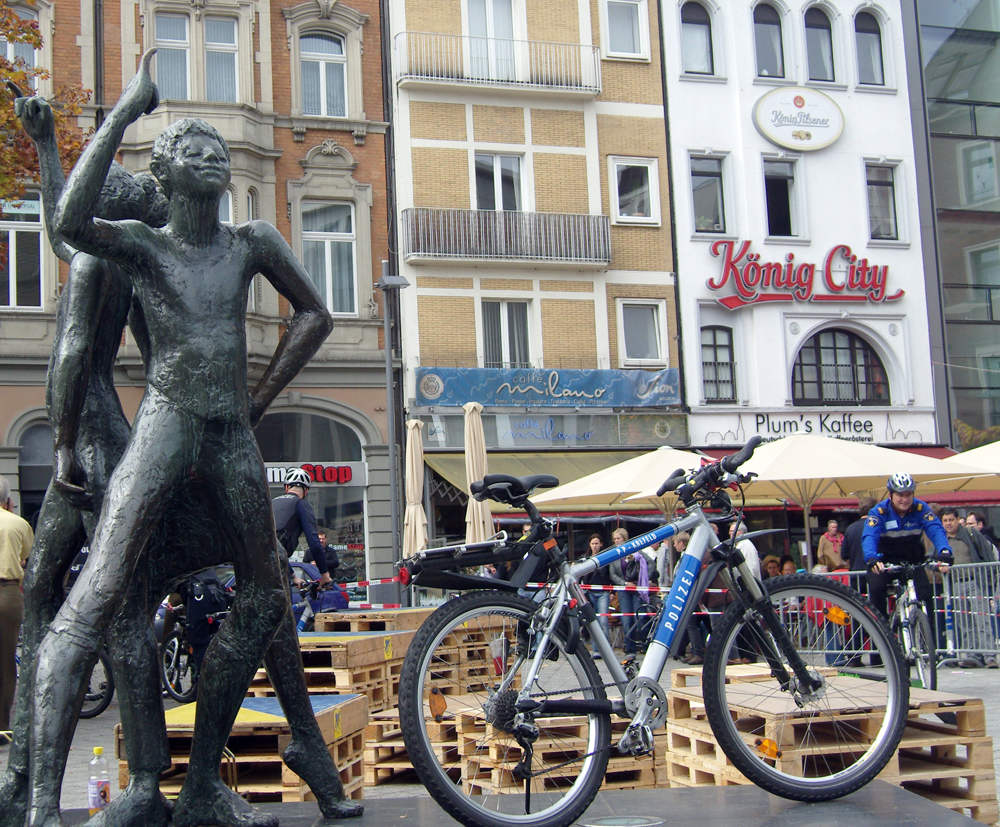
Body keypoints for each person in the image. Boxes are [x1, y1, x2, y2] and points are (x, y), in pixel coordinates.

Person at [6, 86, 362, 827]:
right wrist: (126, 113)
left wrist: (257, 401)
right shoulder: (139, 251)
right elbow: (70, 227)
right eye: (192, 153)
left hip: (224, 433)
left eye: (217, 152)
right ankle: (47, 800)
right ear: (161, 183)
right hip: (160, 429)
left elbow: (317, 315)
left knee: (262, 593)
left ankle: (195, 779)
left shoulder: (248, 242)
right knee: (95, 597)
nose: (211, 159)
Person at [863, 473, 952, 630]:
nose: (904, 499)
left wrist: (944, 550)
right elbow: (870, 536)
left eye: (908, 494)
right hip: (883, 560)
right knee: (876, 590)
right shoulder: (879, 512)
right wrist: (871, 557)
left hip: (911, 559)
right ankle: (882, 633)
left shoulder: (920, 508)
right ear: (890, 495)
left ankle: (931, 643)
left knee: (925, 593)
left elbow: (935, 529)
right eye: (900, 495)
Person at [940, 507, 998, 668]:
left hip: (975, 581)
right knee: (964, 622)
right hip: (956, 584)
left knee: (982, 619)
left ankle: (989, 656)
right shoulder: (942, 539)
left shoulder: (971, 534)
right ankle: (972, 655)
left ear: (958, 520)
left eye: (951, 520)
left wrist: (990, 582)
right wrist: (938, 567)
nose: (948, 523)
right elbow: (932, 558)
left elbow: (987, 555)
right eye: (945, 520)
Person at [0, 477, 32, 733]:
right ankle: (1, 726)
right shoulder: (18, 524)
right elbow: (26, 556)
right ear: (8, 501)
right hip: (7, 593)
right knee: (5, 660)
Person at [272, 468, 332, 587]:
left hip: (254, 565)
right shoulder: (301, 504)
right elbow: (314, 543)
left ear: (287, 487)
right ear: (306, 490)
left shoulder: (271, 503)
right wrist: (325, 575)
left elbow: (271, 547)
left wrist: (294, 576)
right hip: (276, 574)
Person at [581, 534, 611, 653]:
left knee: (603, 621)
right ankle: (596, 650)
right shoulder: (585, 558)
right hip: (589, 592)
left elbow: (611, 574)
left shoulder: (606, 557)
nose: (594, 546)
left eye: (596, 543)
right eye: (592, 544)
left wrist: (611, 590)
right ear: (589, 545)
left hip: (603, 592)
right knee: (593, 622)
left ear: (601, 544)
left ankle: (606, 650)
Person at [841, 497, 877, 592]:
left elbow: (844, 554)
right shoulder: (877, 526)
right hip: (875, 574)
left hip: (856, 576)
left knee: (858, 605)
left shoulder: (850, 528)